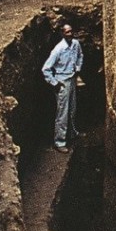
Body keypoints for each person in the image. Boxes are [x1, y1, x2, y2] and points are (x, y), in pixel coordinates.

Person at [42, 24, 84, 152]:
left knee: (72, 108)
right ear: (62, 34)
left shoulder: (76, 44)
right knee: (63, 113)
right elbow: (46, 69)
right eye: (67, 32)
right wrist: (54, 83)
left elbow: (80, 56)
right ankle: (59, 142)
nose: (70, 34)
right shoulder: (58, 50)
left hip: (72, 79)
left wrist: (77, 69)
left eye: (71, 31)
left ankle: (72, 134)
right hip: (62, 81)